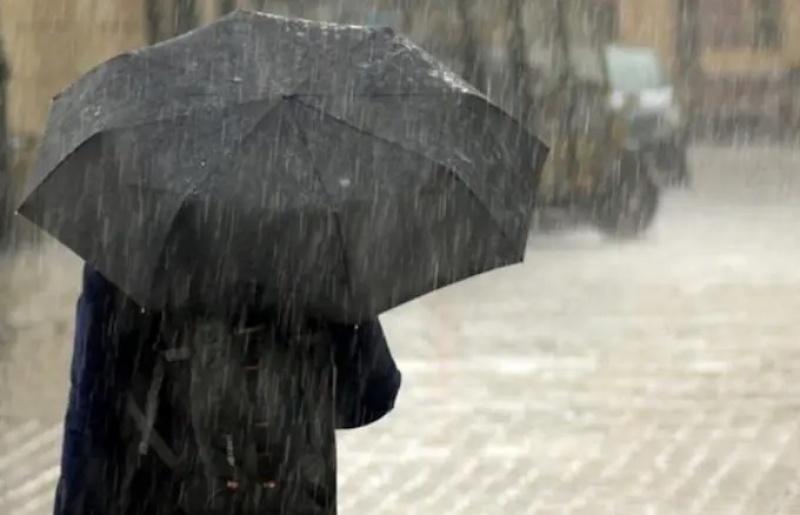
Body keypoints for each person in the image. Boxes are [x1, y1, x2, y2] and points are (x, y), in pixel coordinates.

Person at [54, 264, 402, 514]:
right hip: (292, 496)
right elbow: (370, 395)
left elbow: (94, 413)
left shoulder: (130, 235)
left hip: (168, 494)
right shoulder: (316, 232)